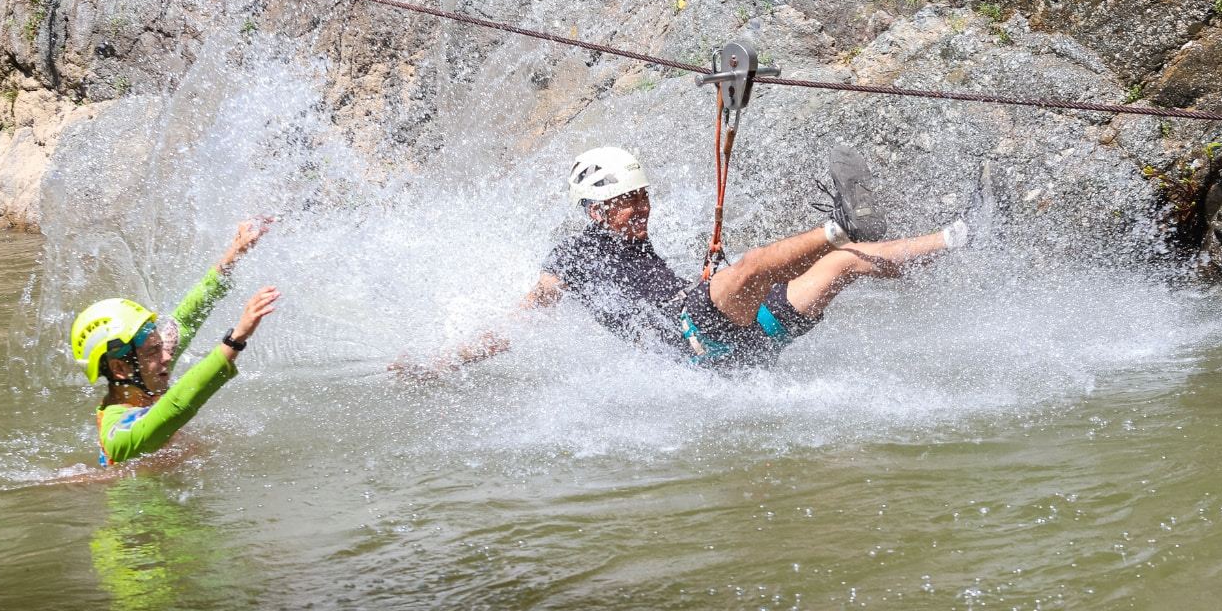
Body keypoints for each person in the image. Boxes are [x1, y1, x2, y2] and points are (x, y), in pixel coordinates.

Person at [392, 146, 970, 379]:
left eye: (643, 198)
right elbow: (526, 316)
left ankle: (961, 237)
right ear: (594, 210)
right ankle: (841, 223)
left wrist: (705, 280)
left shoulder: (641, 244)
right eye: (627, 203)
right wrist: (445, 362)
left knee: (843, 266)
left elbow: (666, 289)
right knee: (749, 267)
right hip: (691, 342)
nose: (640, 210)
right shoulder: (572, 255)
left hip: (745, 346)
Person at [69, 218, 281, 466]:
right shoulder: (117, 433)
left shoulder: (145, 376)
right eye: (153, 352)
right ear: (120, 368)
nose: (167, 356)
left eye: (160, 346)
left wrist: (234, 255)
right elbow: (176, 406)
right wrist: (236, 339)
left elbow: (185, 319)